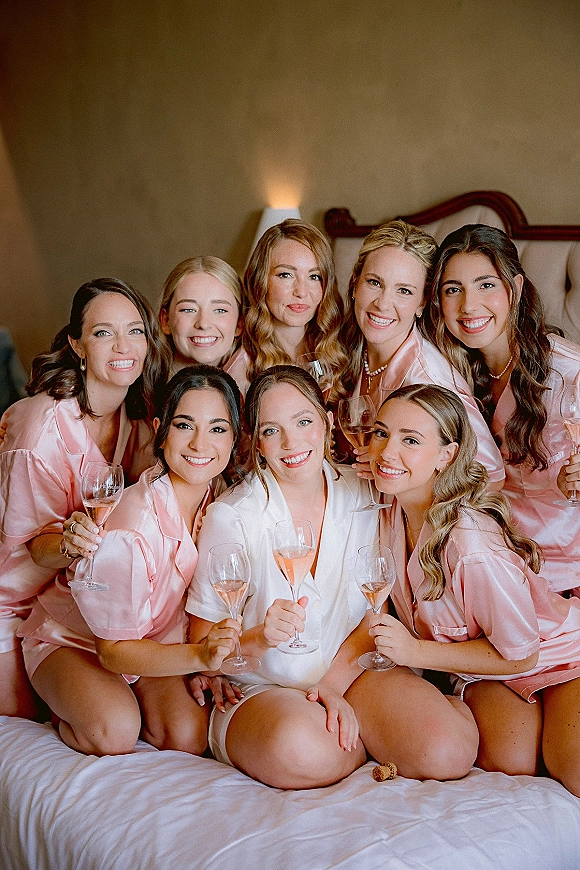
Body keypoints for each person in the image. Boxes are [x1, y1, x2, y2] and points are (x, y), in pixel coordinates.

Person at [187, 366, 478, 789]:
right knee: (299, 750)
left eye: (304, 422)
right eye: (272, 430)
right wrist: (260, 638)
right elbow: (203, 638)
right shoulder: (232, 515)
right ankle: (369, 742)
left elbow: (374, 609)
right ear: (256, 442)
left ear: (326, 421)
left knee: (446, 752)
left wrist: (332, 687)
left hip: (351, 672)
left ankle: (366, 731)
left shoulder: (367, 492)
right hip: (263, 686)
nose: (291, 443)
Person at [368, 383, 580, 797]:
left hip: (553, 652)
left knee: (574, 770)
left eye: (410, 440)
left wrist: (415, 653)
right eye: (381, 433)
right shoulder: (391, 509)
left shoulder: (471, 546)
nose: (387, 452)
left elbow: (525, 653)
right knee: (509, 762)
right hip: (484, 666)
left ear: (446, 455)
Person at [17, 366, 242, 756]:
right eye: (184, 425)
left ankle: (120, 695)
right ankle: (67, 704)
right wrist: (200, 657)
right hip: (78, 641)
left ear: (236, 438)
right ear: (160, 429)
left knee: (186, 736)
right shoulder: (131, 527)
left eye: (218, 429)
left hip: (147, 641)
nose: (200, 444)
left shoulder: (215, 502)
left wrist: (207, 663)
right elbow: (111, 650)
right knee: (116, 731)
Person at [0, 277, 171, 719]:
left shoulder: (136, 422)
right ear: (77, 345)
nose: (123, 346)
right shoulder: (41, 434)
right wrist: (70, 543)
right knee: (17, 724)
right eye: (103, 333)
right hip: (10, 601)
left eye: (135, 331)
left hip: (68, 601)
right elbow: (34, 549)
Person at [421, 223, 580, 594]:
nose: (469, 305)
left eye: (486, 284)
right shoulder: (448, 371)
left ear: (517, 289)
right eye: (453, 290)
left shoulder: (568, 372)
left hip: (562, 572)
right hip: (489, 560)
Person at [337, 220, 505, 483]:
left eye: (404, 291)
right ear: (355, 284)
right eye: (374, 282)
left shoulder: (429, 379)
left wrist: (406, 475)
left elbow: (492, 479)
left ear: (422, 303)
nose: (382, 303)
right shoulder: (353, 351)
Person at [238, 219, 348, 402]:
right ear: (260, 281)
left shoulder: (339, 349)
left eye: (314, 276)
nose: (301, 292)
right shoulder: (242, 367)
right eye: (286, 275)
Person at [158, 256, 247, 391]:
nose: (203, 324)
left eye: (220, 310)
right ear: (165, 321)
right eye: (188, 309)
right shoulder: (138, 387)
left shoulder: (252, 391)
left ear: (239, 324)